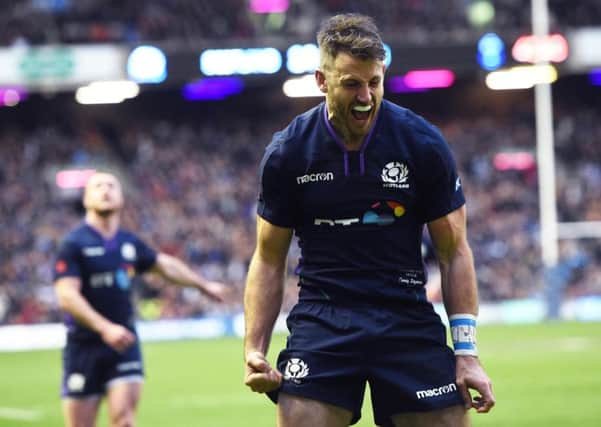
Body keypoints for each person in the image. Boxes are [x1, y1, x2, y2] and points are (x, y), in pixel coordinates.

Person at [243, 13, 495, 427]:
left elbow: (454, 251)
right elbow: (269, 258)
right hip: (324, 317)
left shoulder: (422, 143)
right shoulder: (289, 153)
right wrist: (255, 349)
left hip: (405, 315)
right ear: (322, 81)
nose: (365, 97)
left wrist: (466, 352)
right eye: (351, 84)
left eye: (374, 82)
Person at [53, 171, 229, 427]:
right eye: (98, 186)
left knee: (125, 420)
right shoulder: (73, 244)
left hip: (124, 342)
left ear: (122, 197)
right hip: (84, 346)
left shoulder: (128, 242)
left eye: (111, 185)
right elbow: (67, 295)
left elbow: (165, 266)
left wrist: (202, 285)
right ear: (86, 199)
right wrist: (104, 328)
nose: (105, 190)